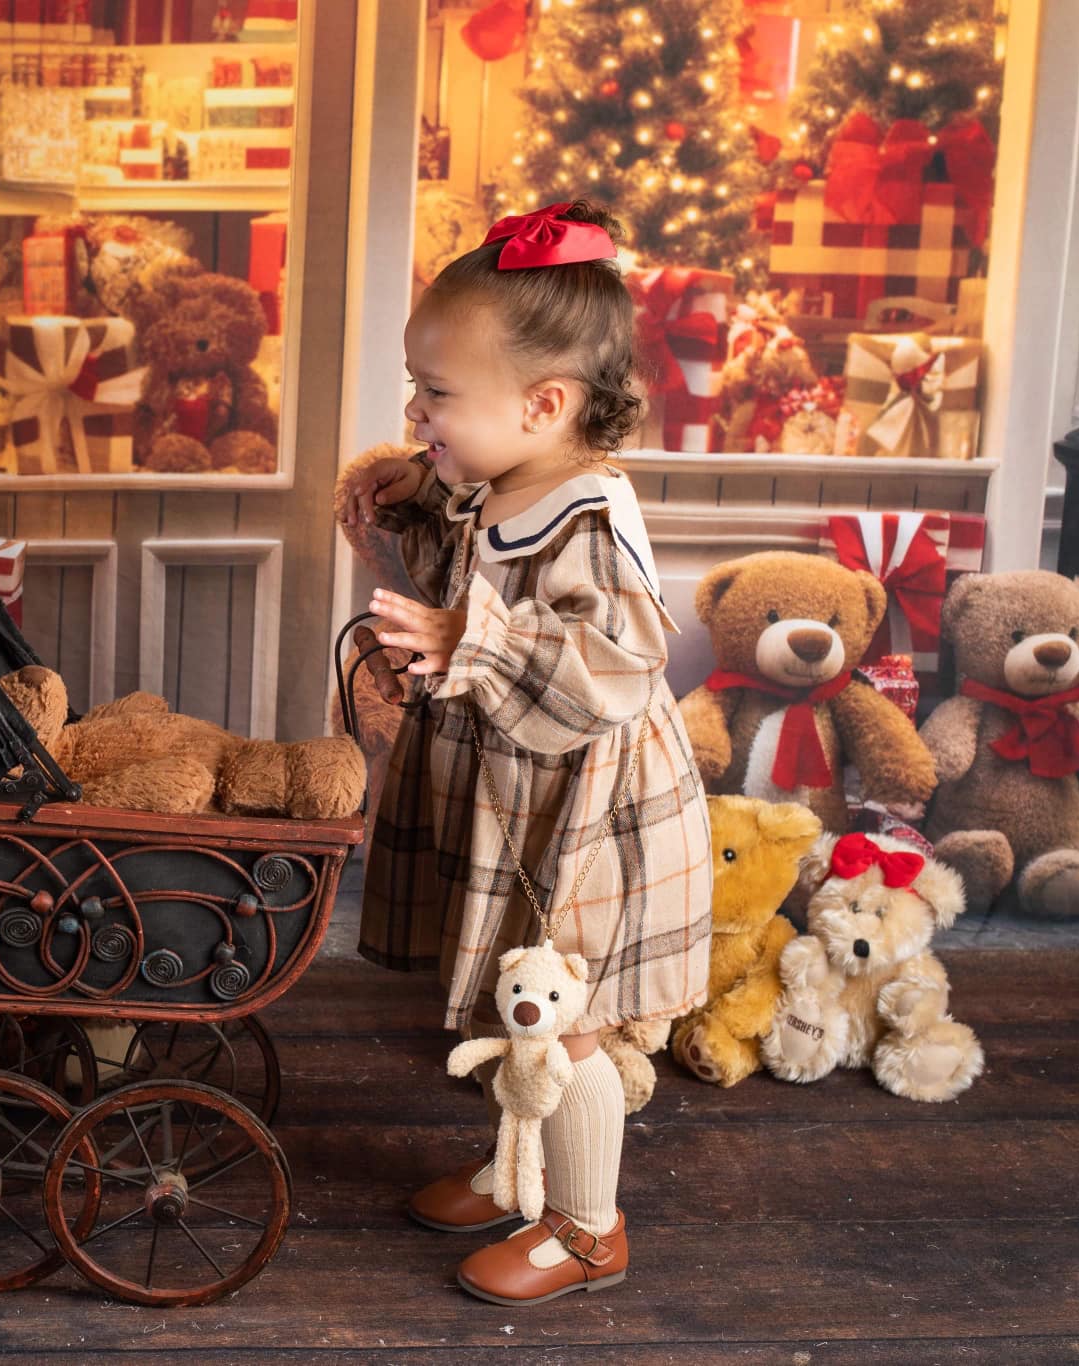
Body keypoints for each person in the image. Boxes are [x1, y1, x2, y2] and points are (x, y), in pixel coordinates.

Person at [339, 200, 712, 1306]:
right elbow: (456, 538)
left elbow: (623, 659)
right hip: (516, 797)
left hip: (587, 817)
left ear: (543, 404)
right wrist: (408, 500)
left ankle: (588, 1226)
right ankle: (518, 1169)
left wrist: (471, 636)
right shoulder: (503, 482)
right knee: (517, 996)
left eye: (437, 394)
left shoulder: (589, 515)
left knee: (568, 1014)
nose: (416, 411)